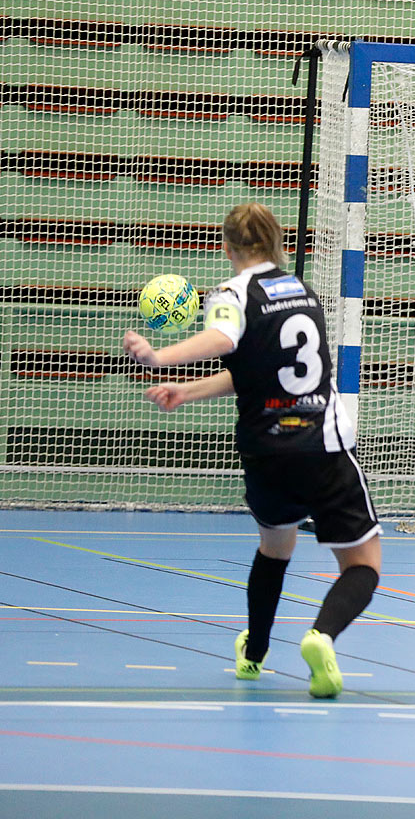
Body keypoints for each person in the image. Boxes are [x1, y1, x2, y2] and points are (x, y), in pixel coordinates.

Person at [123, 202, 380, 699]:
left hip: (267, 451)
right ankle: (322, 635)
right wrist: (187, 387)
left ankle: (255, 652)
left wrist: (160, 358)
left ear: (227, 248)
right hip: (322, 445)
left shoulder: (229, 293)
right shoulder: (305, 293)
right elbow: (252, 364)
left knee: (275, 549)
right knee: (364, 563)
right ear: (277, 242)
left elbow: (224, 340)